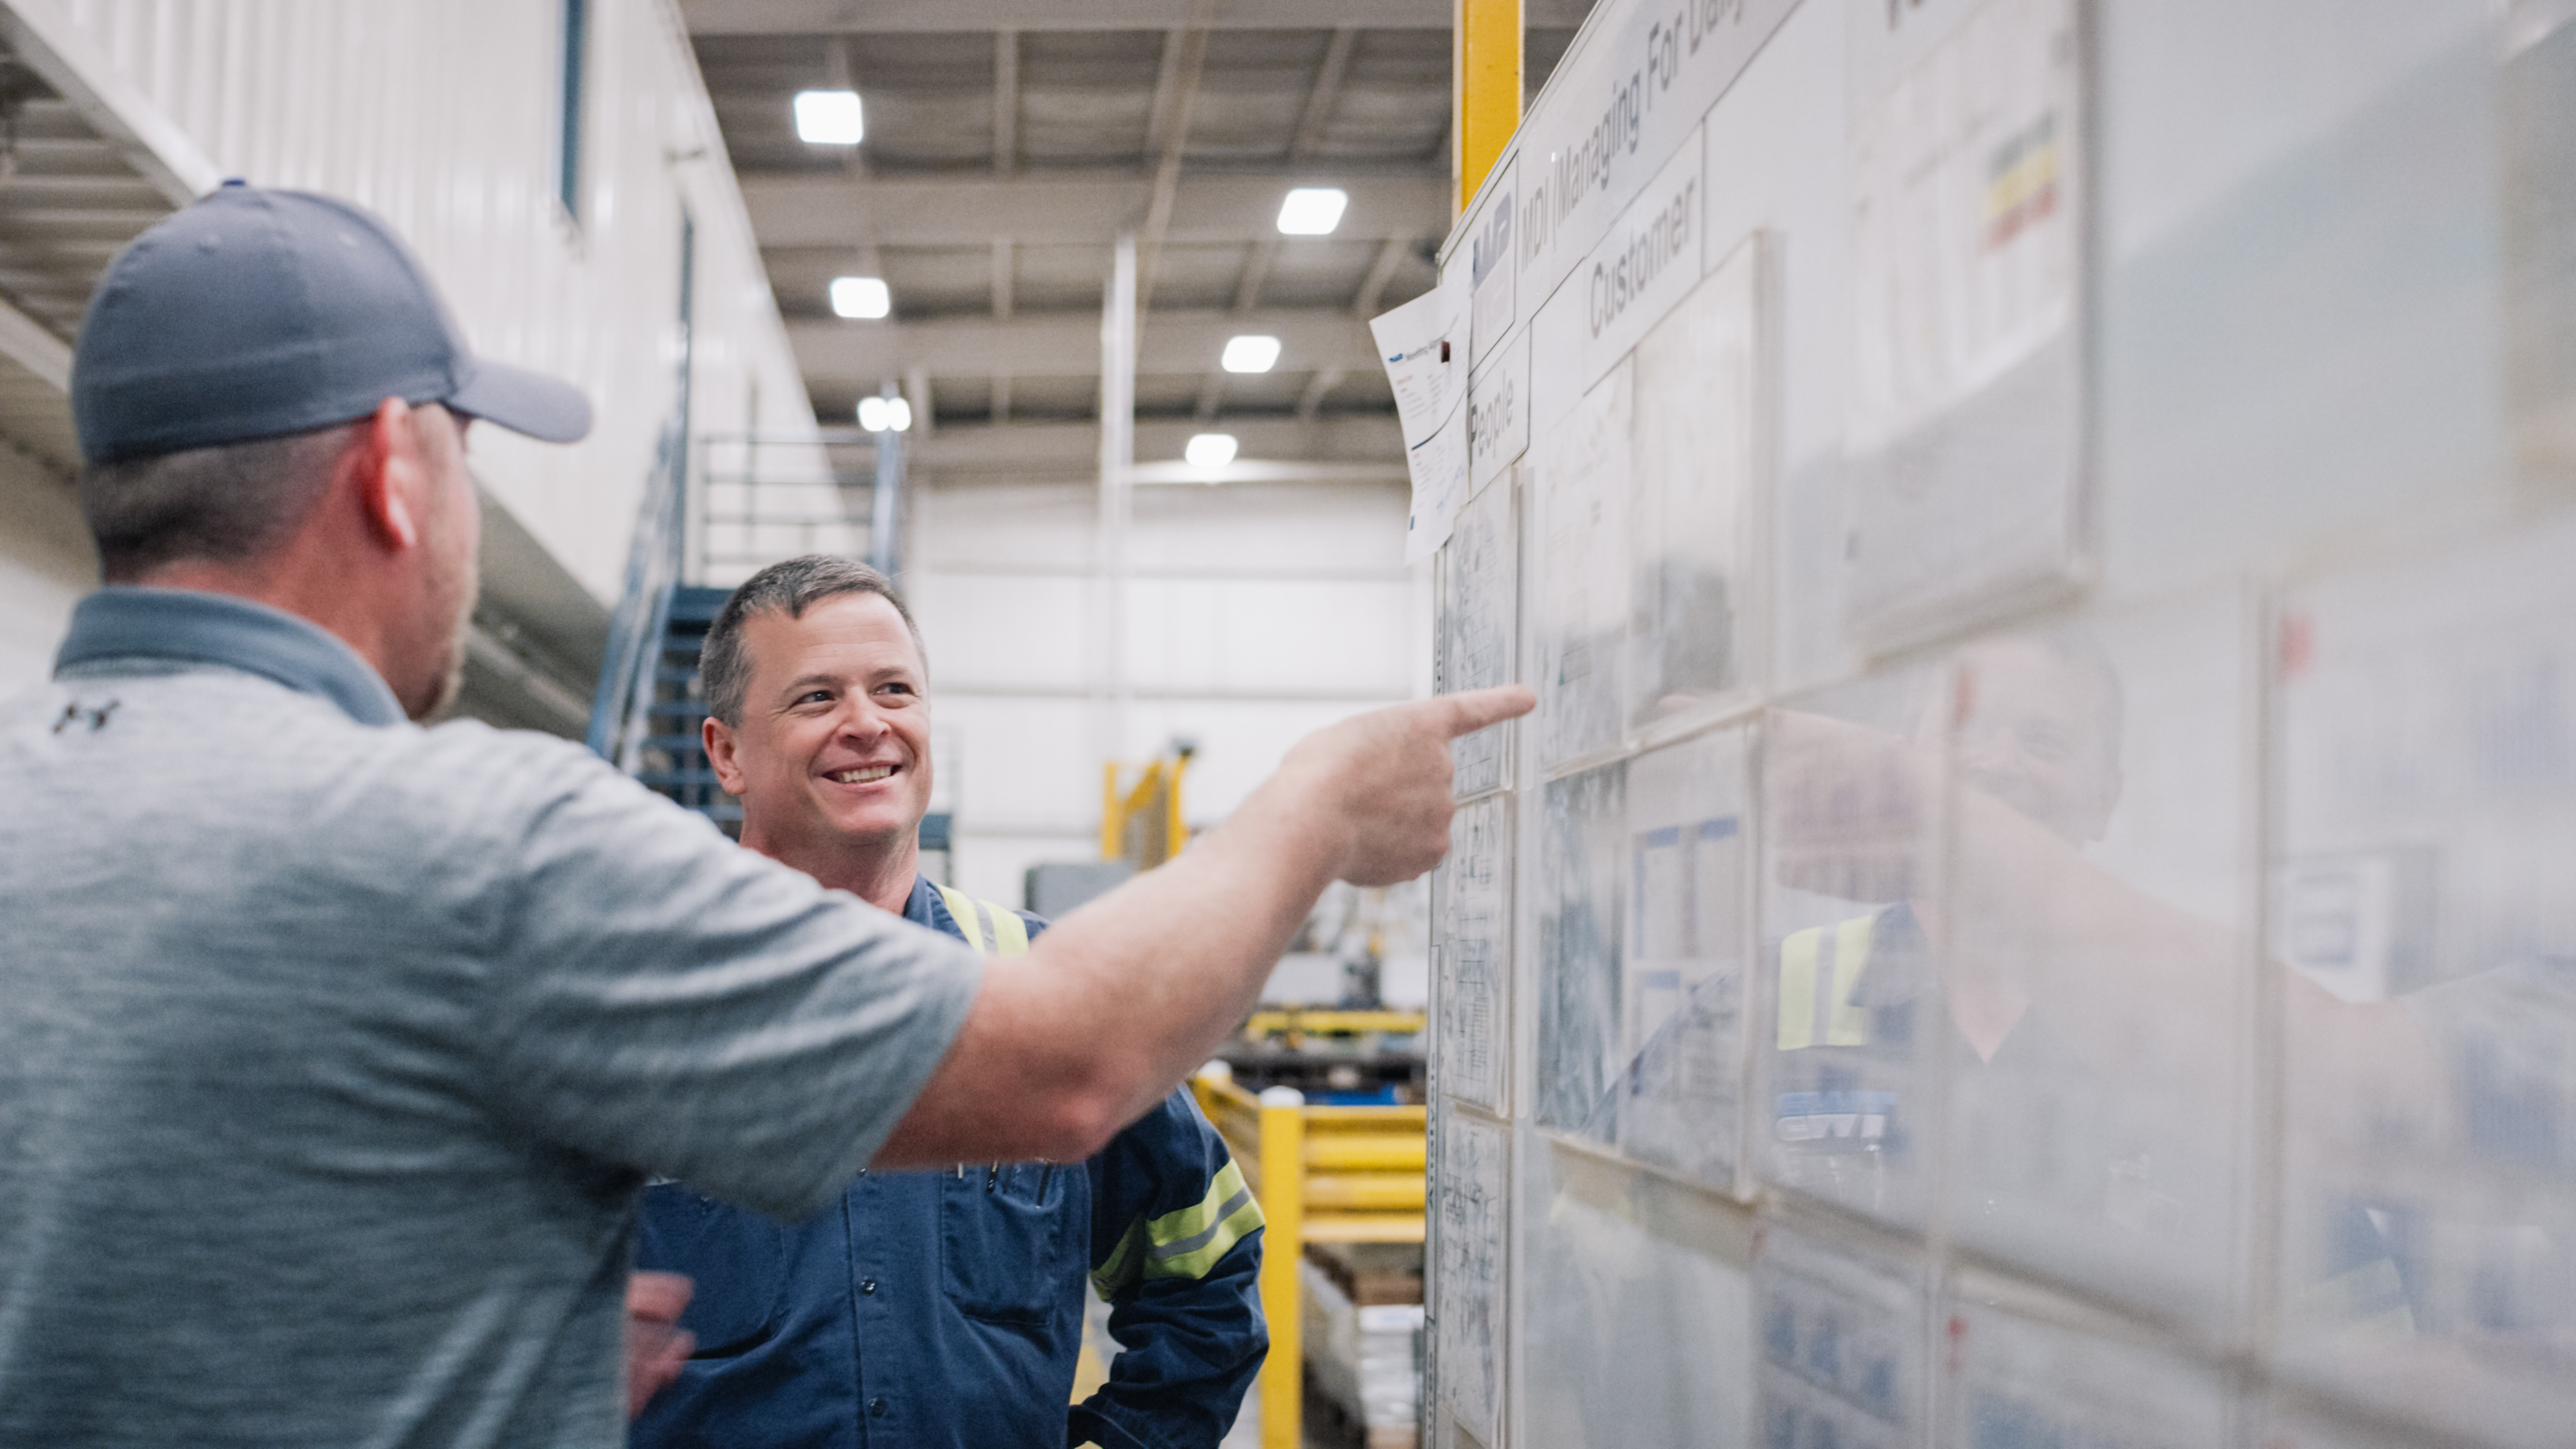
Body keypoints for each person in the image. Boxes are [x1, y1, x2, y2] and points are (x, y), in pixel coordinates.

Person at [0, 183, 1530, 1448]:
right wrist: (1313, 807)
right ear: (395, 471)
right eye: (469, 456)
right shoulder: (486, 851)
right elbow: (1070, 1066)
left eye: (896, 689)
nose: (866, 725)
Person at [631, 556, 1263, 1449]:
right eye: (816, 698)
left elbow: (1206, 1261)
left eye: (895, 690)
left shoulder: (1043, 991)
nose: (867, 724)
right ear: (727, 752)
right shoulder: (629, 1007)